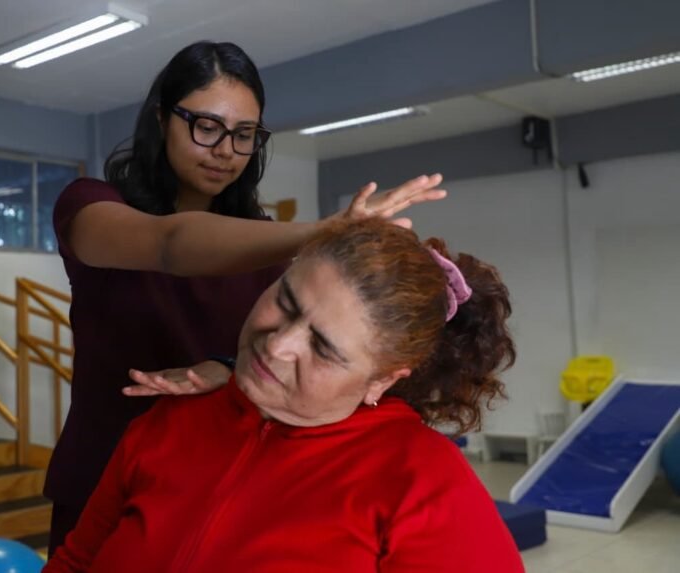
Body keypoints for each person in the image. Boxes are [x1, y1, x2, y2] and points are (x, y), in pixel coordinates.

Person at [45, 40, 446, 554]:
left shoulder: (262, 240)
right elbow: (170, 244)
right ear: (162, 118)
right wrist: (324, 230)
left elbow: (273, 350)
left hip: (211, 484)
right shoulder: (90, 205)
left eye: (244, 134)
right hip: (102, 473)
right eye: (206, 127)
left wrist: (226, 366)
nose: (226, 151)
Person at [44, 218, 524, 572]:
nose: (277, 345)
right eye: (285, 302)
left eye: (323, 347)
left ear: (382, 379)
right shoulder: (171, 419)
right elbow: (76, 562)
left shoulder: (424, 482)